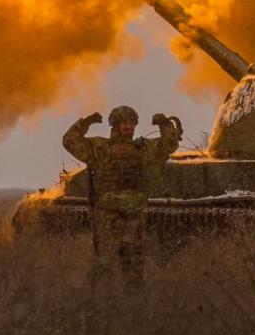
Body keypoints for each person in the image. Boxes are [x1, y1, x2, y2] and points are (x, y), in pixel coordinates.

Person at [62, 105, 182, 286]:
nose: (129, 127)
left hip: (135, 213)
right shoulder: (99, 148)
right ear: (115, 125)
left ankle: (131, 301)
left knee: (134, 262)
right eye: (124, 123)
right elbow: (69, 141)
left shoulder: (142, 148)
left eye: (132, 123)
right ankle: (102, 298)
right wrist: (85, 122)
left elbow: (168, 146)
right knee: (106, 260)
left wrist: (164, 124)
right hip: (109, 213)